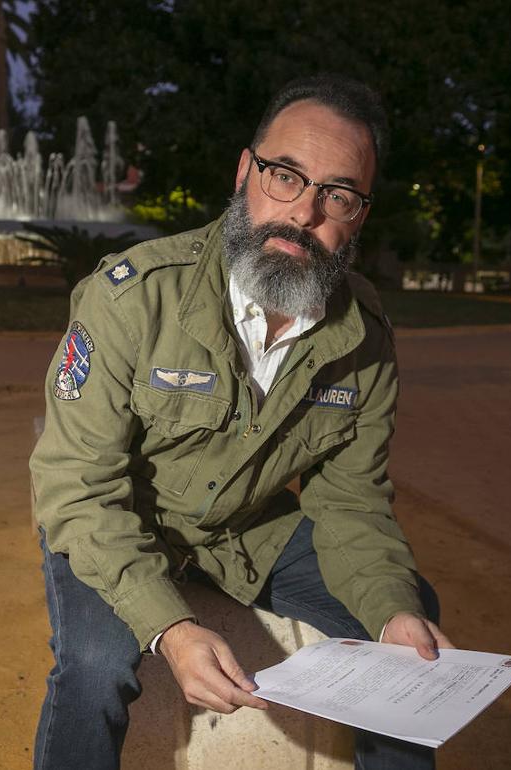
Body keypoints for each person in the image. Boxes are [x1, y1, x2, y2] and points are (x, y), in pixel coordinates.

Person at [30, 73, 452, 770]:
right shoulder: (134, 299)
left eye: (338, 194)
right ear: (244, 173)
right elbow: (78, 488)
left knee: (407, 625)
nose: (305, 213)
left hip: (244, 529)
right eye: (286, 175)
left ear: (360, 215)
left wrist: (389, 611)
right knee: (97, 663)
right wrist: (171, 627)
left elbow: (350, 503)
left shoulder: (364, 334)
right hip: (118, 518)